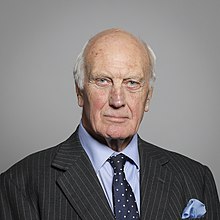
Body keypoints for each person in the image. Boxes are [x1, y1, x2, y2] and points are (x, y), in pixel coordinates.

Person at [0, 28, 219, 220]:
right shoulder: (19, 184)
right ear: (79, 92)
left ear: (148, 97)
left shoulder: (195, 178)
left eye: (132, 83)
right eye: (103, 81)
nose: (117, 100)